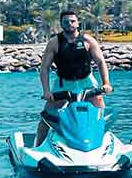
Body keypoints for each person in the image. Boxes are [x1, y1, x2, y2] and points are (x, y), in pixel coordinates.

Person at [35, 10, 113, 147]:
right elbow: (45, 68)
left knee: (101, 113)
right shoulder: (54, 42)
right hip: (63, 84)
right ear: (61, 24)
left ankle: (105, 145)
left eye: (72, 21)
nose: (69, 24)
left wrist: (106, 83)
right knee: (47, 116)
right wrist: (46, 91)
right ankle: (36, 147)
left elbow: (101, 62)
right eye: (66, 22)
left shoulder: (88, 40)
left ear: (78, 23)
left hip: (86, 82)